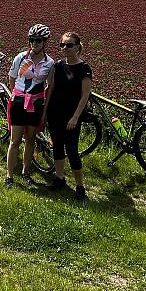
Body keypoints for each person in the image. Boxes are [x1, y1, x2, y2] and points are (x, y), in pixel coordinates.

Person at [44, 32, 92, 200]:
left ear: (78, 47)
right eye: (62, 45)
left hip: (72, 117)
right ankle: (59, 178)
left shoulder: (84, 68)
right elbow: (50, 89)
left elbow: (85, 95)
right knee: (57, 147)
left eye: (69, 45)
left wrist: (75, 117)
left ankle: (80, 187)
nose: (65, 48)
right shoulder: (57, 65)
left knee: (72, 151)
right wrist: (44, 112)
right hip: (55, 113)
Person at [5, 24, 55, 187]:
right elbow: (12, 78)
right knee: (15, 141)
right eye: (31, 40)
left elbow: (49, 86)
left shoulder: (50, 63)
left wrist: (45, 109)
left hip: (36, 104)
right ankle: (9, 176)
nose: (34, 43)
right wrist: (17, 95)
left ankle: (26, 173)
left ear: (45, 42)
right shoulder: (21, 57)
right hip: (19, 103)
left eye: (38, 40)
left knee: (31, 140)